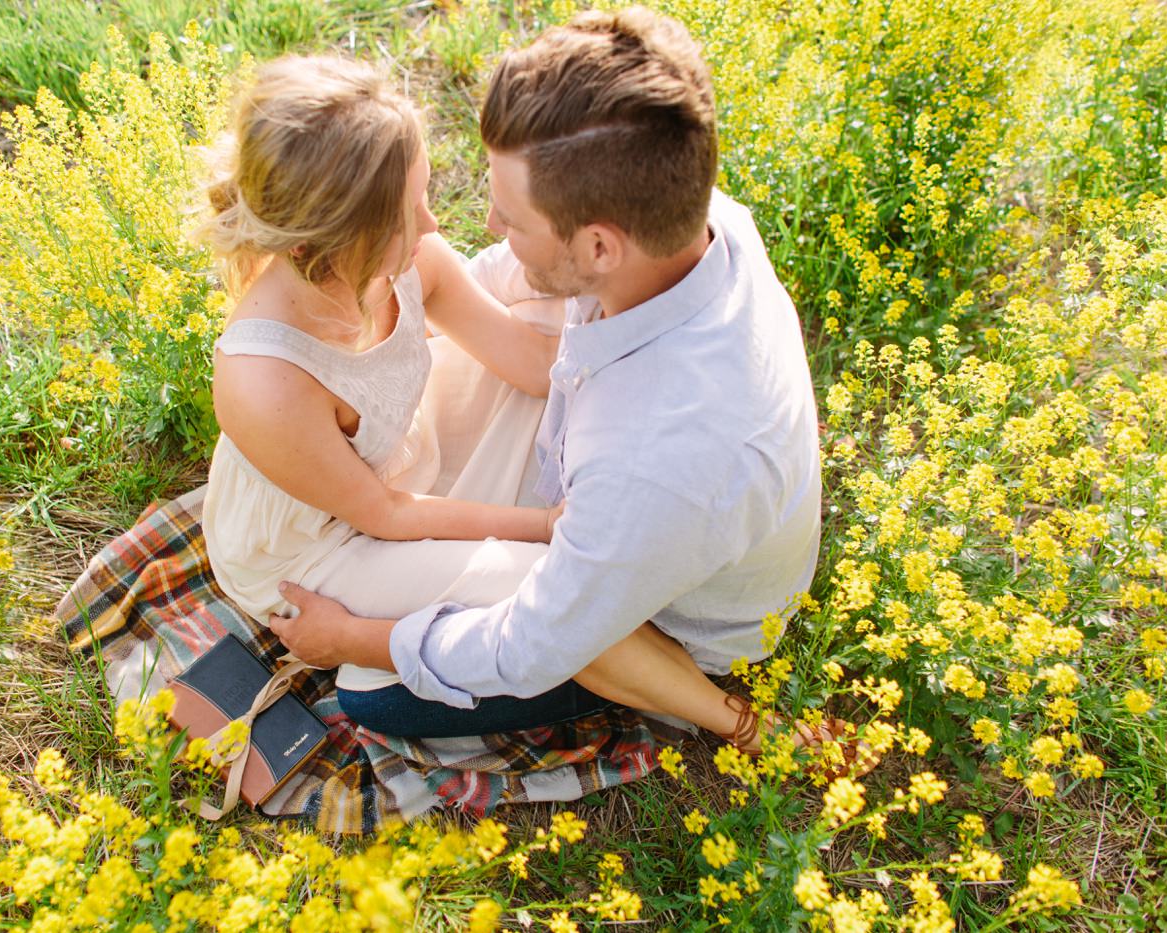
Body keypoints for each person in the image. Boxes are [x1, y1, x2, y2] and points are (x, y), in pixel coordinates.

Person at [270, 8, 876, 773]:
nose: (485, 220)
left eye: (512, 218)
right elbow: (502, 281)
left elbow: (531, 643)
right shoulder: (690, 220)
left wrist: (346, 639)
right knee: (493, 343)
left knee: (369, 693)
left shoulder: (655, 460)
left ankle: (729, 716)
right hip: (639, 489)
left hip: (661, 614)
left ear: (597, 245)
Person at [191, 54, 588, 709]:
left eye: (423, 192)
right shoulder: (264, 379)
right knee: (550, 583)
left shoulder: (411, 260)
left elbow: (526, 357)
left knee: (550, 325)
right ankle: (364, 646)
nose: (432, 223)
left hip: (397, 465)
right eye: (407, 212)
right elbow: (385, 514)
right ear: (329, 237)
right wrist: (546, 523)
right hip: (316, 548)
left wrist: (642, 351)